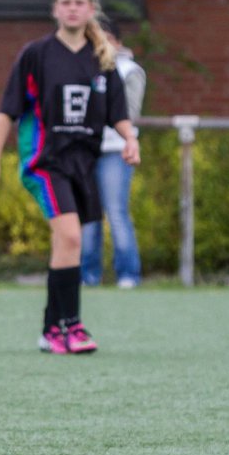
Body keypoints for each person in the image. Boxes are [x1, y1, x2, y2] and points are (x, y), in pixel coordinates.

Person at [0, 0, 140, 354]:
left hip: (85, 163)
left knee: (67, 243)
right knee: (70, 237)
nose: (72, 8)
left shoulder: (103, 60)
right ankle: (72, 325)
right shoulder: (36, 54)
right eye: (65, 2)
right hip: (45, 161)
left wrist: (130, 140)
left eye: (79, 3)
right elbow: (7, 111)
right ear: (55, 9)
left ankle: (53, 328)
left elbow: (119, 113)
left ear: (90, 9)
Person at [81, 18, 146, 289]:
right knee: (87, 215)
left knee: (116, 212)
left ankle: (128, 274)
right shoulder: (82, 65)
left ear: (116, 41)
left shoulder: (129, 70)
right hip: (85, 148)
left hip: (115, 150)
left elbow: (128, 113)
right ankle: (87, 275)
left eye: (105, 37)